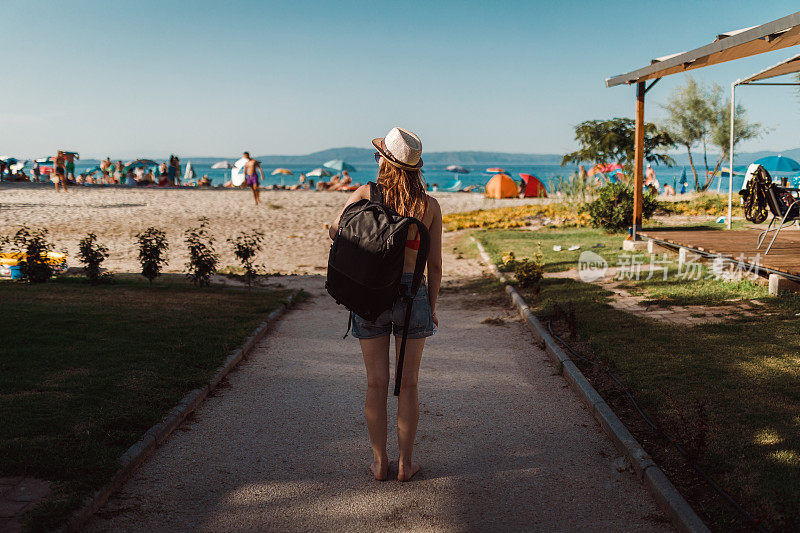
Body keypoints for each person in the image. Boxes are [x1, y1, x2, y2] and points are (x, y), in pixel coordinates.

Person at [328, 127, 443, 482]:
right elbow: (435, 265)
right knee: (408, 384)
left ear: (384, 161)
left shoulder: (365, 193)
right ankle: (406, 465)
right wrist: (431, 305)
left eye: (378, 155)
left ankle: (379, 463)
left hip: (370, 294)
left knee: (375, 384)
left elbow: (336, 230)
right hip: (413, 294)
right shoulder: (429, 205)